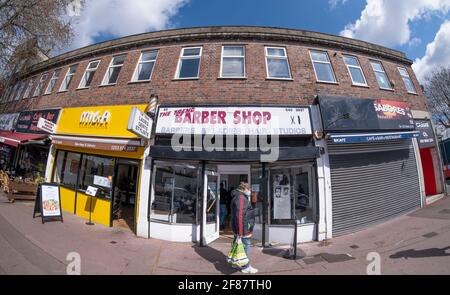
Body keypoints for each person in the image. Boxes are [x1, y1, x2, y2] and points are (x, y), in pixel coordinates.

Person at [230, 182, 258, 273]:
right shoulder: (241, 198)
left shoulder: (237, 196)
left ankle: (235, 262)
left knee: (237, 245)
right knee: (244, 246)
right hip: (243, 229)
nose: (250, 191)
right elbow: (240, 215)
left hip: (238, 228)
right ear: (244, 189)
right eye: (249, 189)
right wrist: (240, 232)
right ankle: (245, 267)